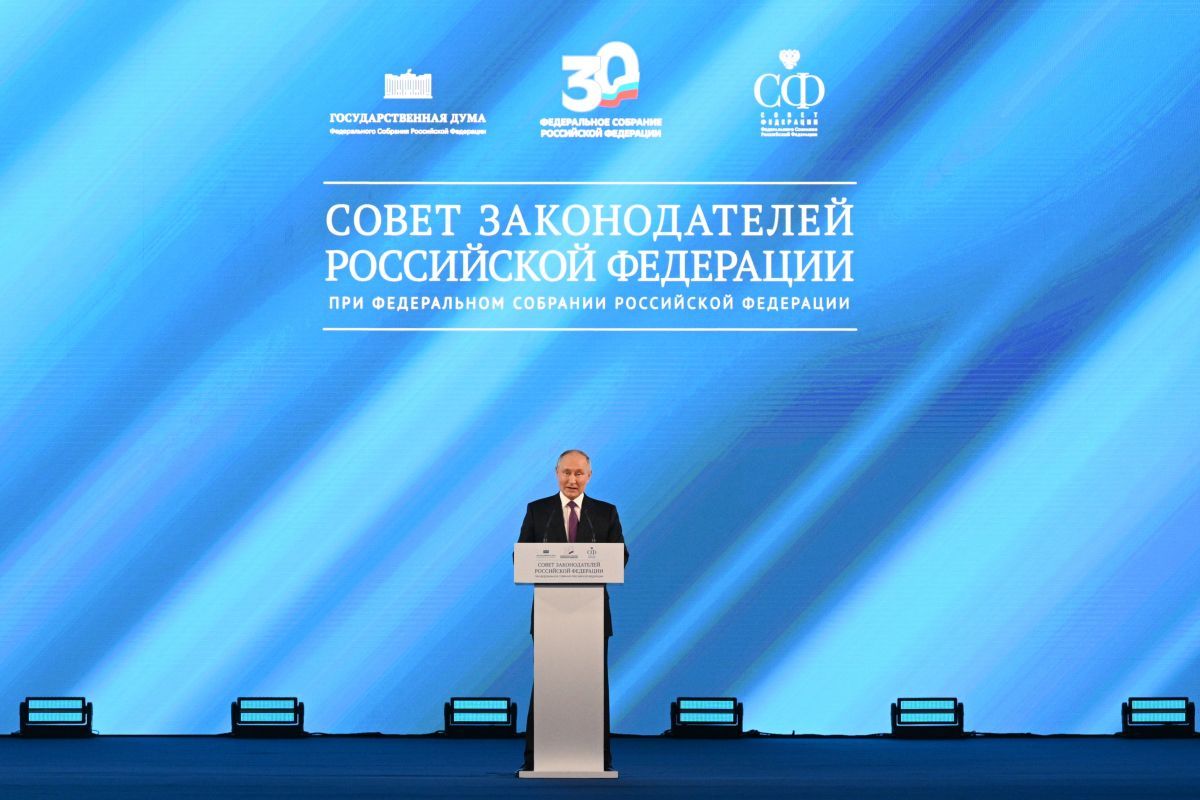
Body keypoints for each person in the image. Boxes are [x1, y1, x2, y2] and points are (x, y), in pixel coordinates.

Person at [518, 449, 628, 773]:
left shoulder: (605, 513)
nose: (572, 479)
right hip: (550, 615)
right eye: (566, 472)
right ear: (556, 473)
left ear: (589, 476)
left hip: (591, 616)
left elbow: (620, 557)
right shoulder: (538, 511)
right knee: (546, 685)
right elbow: (520, 557)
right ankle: (535, 758)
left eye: (579, 473)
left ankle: (600, 758)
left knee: (594, 687)